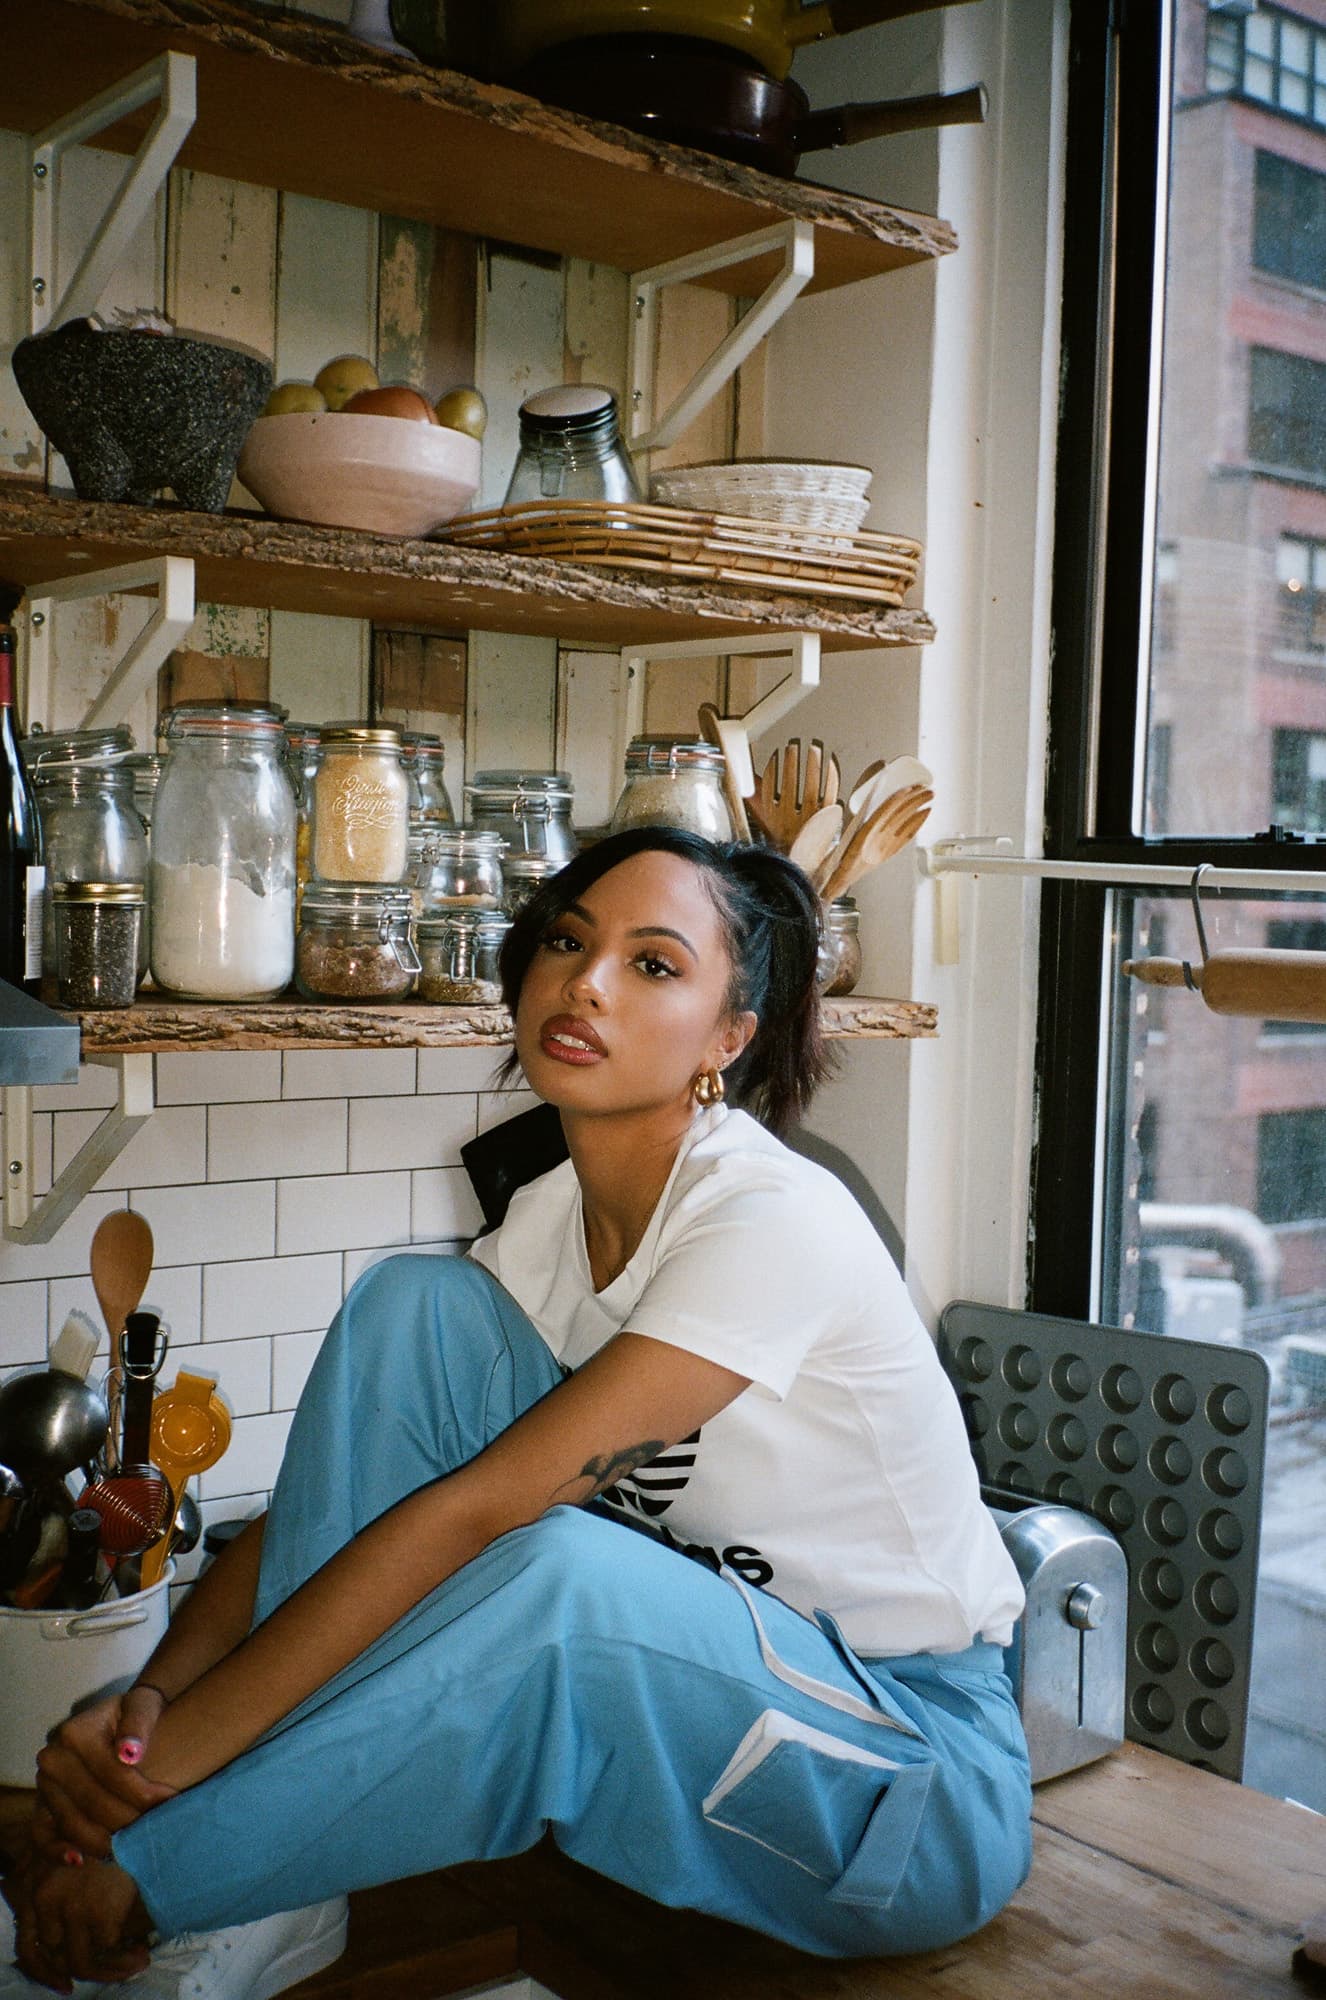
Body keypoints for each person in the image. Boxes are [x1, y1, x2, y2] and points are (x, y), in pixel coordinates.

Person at [0, 826, 1032, 1999]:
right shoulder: (544, 1222)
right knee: (413, 1311)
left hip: (909, 1779)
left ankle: (197, 1875)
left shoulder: (775, 1217)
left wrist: (149, 1796)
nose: (586, 982)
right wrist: (148, 1714)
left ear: (727, 1038)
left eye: (653, 963)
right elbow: (342, 1506)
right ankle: (265, 1880)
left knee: (566, 1577)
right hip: (719, 1720)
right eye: (569, 941)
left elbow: (481, 1514)